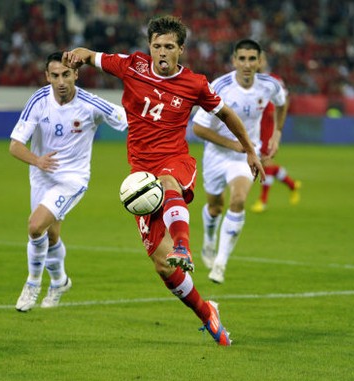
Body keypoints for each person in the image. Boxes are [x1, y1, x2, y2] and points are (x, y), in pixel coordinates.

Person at [63, 16, 264, 346]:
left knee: (169, 182)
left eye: (169, 46)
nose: (162, 52)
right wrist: (77, 55)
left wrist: (250, 150)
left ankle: (184, 244)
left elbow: (226, 114)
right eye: (156, 46)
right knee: (162, 265)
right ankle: (206, 312)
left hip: (175, 162)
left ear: (181, 49)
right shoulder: (132, 65)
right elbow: (90, 55)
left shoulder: (195, 83)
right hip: (140, 174)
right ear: (150, 47)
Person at [10, 51, 128, 312]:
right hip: (41, 175)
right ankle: (60, 281)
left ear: (76, 74)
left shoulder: (90, 104)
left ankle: (32, 284)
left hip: (73, 179)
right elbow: (15, 146)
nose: (61, 81)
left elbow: (128, 119)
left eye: (66, 74)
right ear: (47, 77)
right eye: (55, 75)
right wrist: (37, 160)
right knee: (50, 236)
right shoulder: (39, 100)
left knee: (34, 226)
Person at [192, 40, 287, 284]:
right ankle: (209, 241)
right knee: (215, 207)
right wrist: (234, 144)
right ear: (234, 61)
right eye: (242, 59)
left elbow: (282, 102)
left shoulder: (269, 85)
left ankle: (220, 264)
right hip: (216, 154)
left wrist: (277, 132)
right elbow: (199, 128)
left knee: (238, 199)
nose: (247, 64)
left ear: (260, 60)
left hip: (246, 155)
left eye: (251, 59)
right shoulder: (219, 86)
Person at [250, 52, 300, 213]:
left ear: (263, 62)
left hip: (267, 125)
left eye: (259, 59)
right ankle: (292, 185)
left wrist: (277, 121)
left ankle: (263, 201)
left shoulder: (273, 80)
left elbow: (285, 100)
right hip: (253, 125)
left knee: (265, 161)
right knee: (265, 162)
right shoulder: (245, 80)